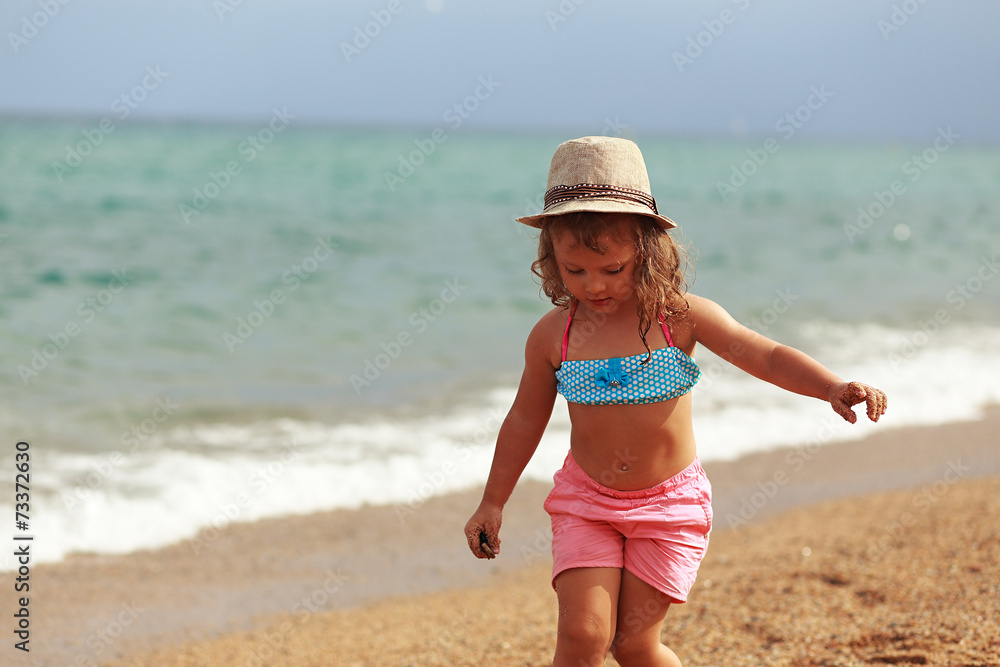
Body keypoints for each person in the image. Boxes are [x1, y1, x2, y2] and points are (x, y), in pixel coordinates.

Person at [463, 136, 887, 667]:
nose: (594, 286)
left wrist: (829, 387)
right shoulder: (555, 336)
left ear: (646, 251)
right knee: (582, 636)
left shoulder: (680, 317)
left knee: (634, 645)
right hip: (587, 502)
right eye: (575, 270)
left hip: (668, 506)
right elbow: (525, 418)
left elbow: (765, 355)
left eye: (612, 269)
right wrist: (493, 502)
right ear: (551, 260)